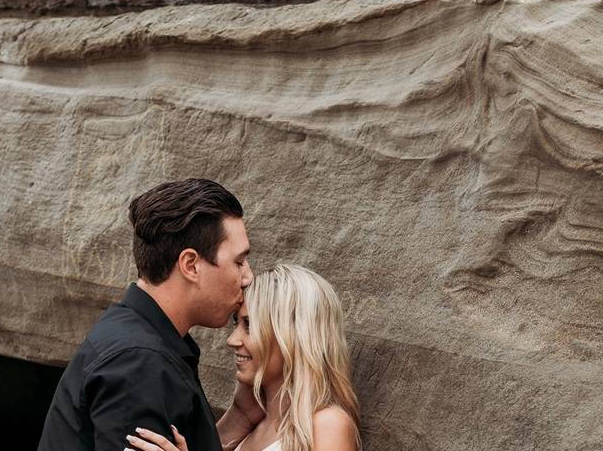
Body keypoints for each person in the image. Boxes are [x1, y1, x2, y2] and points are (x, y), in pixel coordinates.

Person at [37, 178, 261, 451]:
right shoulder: (139, 362)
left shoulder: (139, 339)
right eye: (238, 262)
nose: (247, 276)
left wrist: (239, 416)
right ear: (191, 265)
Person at [126, 264, 361, 451]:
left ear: (293, 335)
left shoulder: (327, 425)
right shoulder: (253, 424)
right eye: (237, 323)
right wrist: (238, 417)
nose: (232, 340)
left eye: (249, 325)